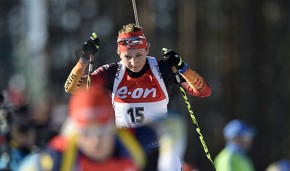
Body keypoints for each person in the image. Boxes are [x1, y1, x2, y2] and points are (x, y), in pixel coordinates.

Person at [64, 23, 212, 170]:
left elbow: (203, 91)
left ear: (147, 48)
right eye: (127, 56)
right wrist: (83, 60)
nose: (134, 62)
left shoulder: (161, 69)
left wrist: (183, 68)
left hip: (160, 149)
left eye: (139, 55)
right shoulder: (112, 72)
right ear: (119, 52)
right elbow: (71, 88)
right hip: (127, 149)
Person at [17, 87, 145, 171]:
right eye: (86, 133)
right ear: (75, 131)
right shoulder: (57, 158)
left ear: (113, 127)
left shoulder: (134, 143)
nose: (96, 141)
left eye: (103, 130)